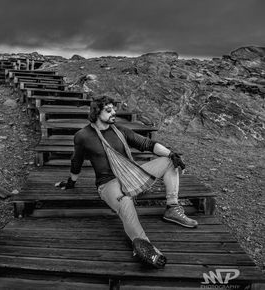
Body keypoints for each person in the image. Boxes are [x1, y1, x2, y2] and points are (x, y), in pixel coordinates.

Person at [55, 95, 198, 269]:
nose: (113, 112)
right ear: (96, 112)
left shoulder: (120, 130)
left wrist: (171, 154)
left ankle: (172, 208)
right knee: (125, 201)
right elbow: (76, 161)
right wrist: (71, 181)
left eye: (114, 109)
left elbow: (146, 143)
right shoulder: (83, 136)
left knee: (170, 161)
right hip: (108, 183)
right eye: (108, 110)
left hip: (131, 175)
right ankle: (143, 245)